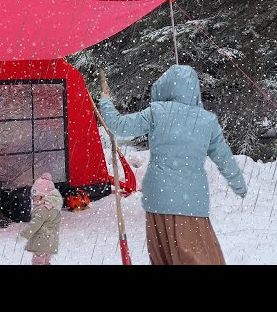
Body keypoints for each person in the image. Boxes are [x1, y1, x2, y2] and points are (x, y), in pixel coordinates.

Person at [99, 64, 247, 265]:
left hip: (158, 198)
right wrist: (238, 184)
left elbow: (119, 125)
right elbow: (224, 158)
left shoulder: (157, 112)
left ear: (166, 86)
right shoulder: (206, 120)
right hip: (192, 200)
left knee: (163, 256)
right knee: (198, 255)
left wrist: (106, 101)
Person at [20, 172, 63, 265]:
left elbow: (35, 224)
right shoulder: (54, 206)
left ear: (44, 195)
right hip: (50, 240)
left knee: (38, 260)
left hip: (41, 240)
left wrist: (24, 234)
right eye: (33, 196)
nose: (34, 199)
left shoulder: (43, 209)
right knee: (46, 259)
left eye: (36, 196)